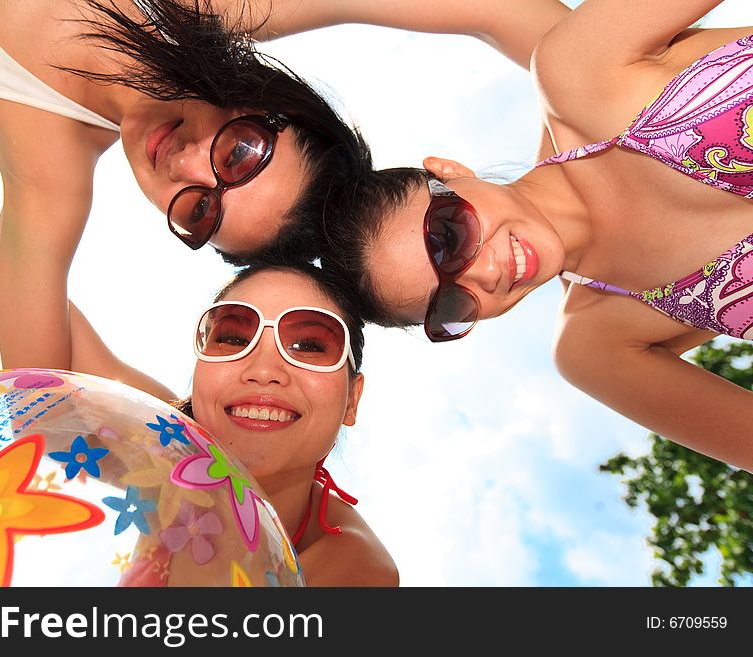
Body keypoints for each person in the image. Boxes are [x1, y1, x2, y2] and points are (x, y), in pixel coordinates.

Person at [263, 1, 753, 471]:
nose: (489, 272)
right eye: (454, 303)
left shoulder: (580, 69)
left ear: (450, 171)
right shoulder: (599, 348)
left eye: (448, 237)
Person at [0, 0, 369, 400]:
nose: (186, 166)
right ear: (263, 100)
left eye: (200, 211)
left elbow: (35, 390)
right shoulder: (195, 9)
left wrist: (203, 437)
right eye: (240, 154)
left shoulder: (52, 180)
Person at [70, 259, 398, 586]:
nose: (264, 370)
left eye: (307, 346)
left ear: (351, 401)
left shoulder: (358, 568)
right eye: (234, 339)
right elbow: (51, 360)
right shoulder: (163, 433)